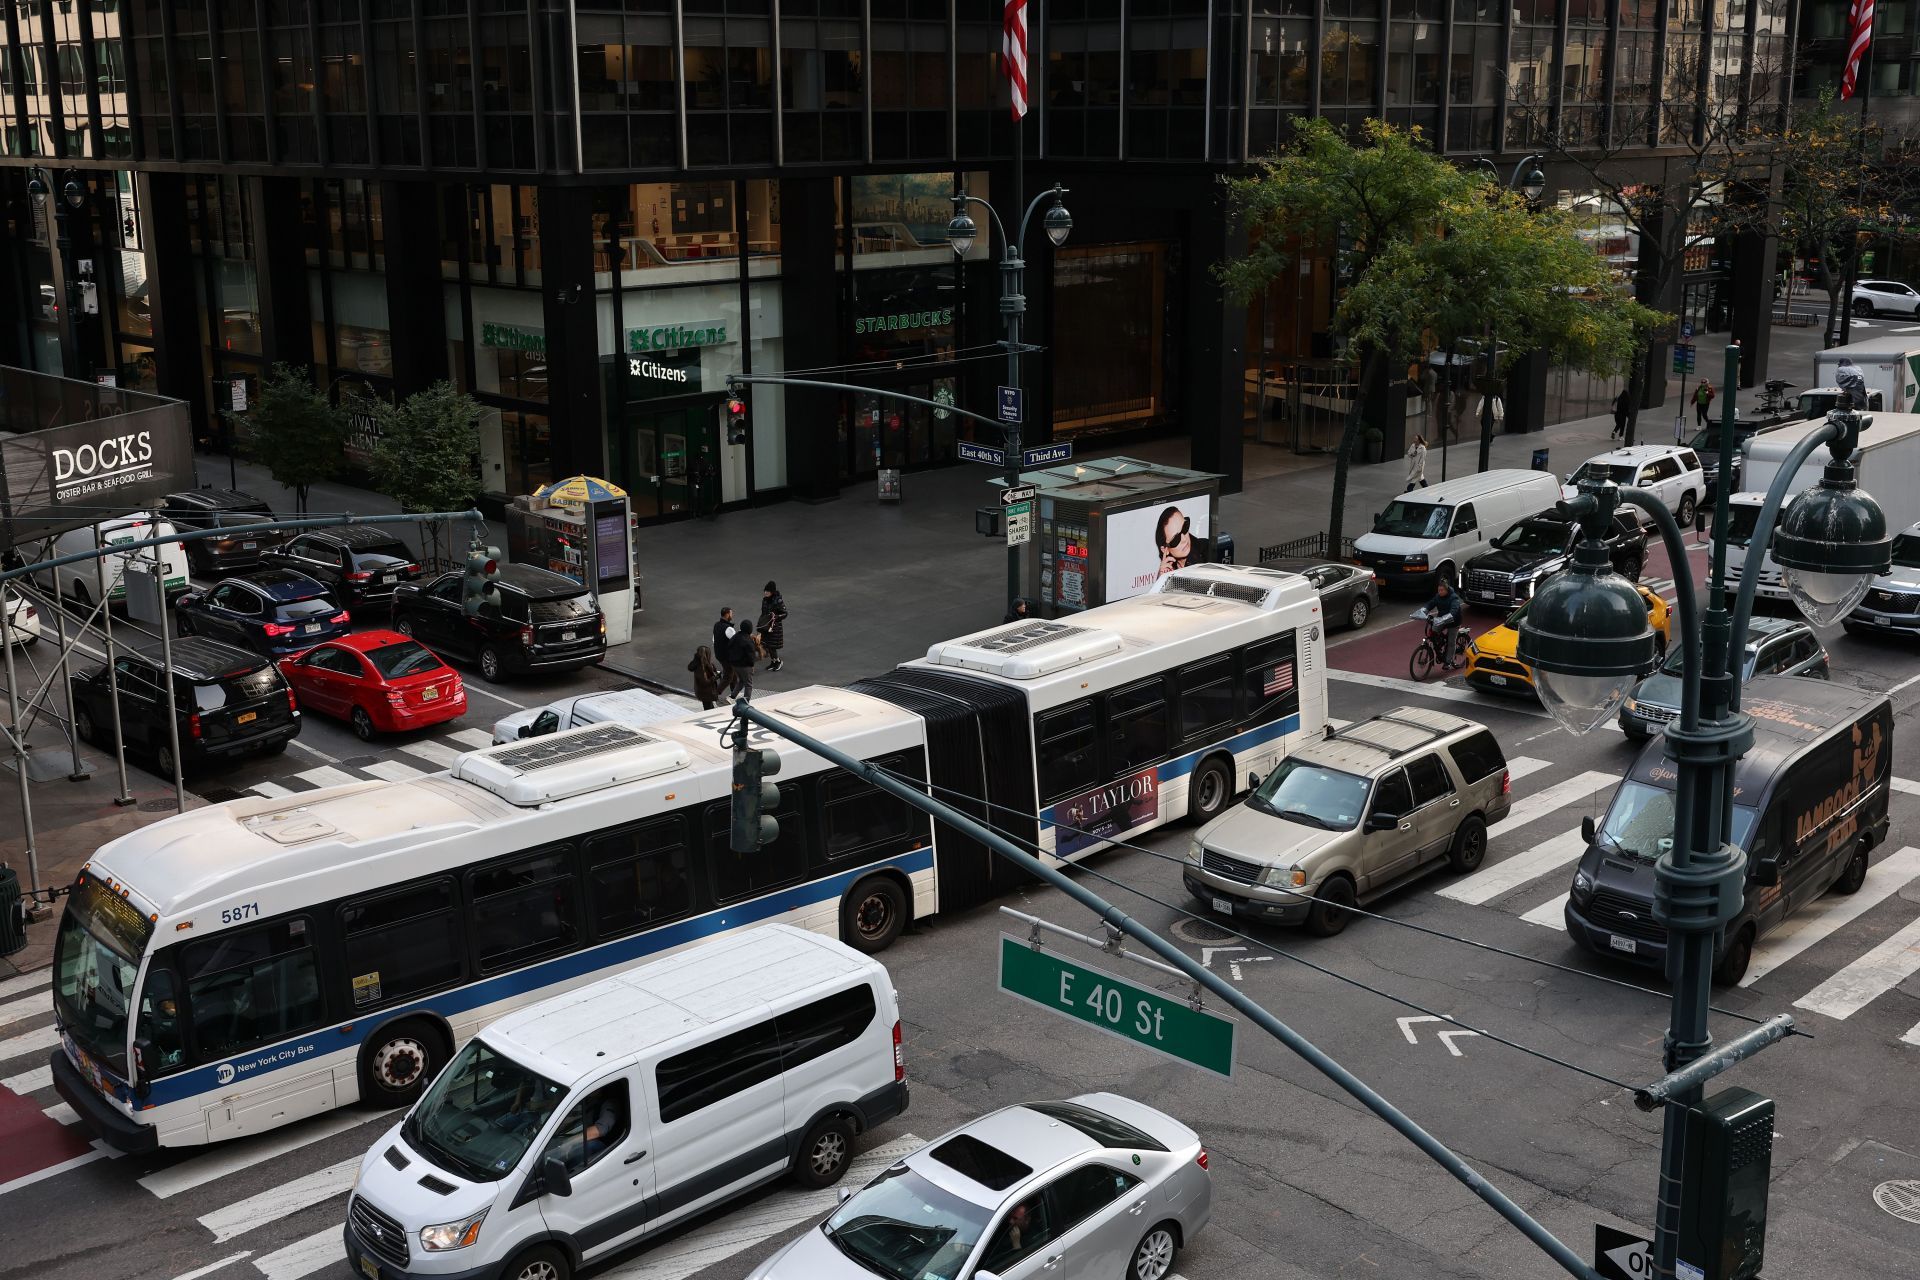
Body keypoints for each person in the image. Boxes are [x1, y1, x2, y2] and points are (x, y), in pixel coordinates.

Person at [1422, 580, 1465, 669]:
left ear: (1446, 590)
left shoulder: (1454, 598)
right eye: (1439, 590)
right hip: (1442, 619)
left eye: (1442, 590)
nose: (1440, 592)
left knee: (1451, 642)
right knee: (1433, 632)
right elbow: (1430, 604)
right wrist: (1424, 610)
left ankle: (1448, 662)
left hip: (1454, 622)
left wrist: (1444, 618)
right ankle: (1440, 645)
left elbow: (1454, 611)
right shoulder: (1438, 597)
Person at [727, 610, 760, 701]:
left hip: (734, 664)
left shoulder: (736, 636)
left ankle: (732, 696)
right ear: (750, 629)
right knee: (748, 684)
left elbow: (729, 646)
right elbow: (751, 655)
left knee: (741, 680)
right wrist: (752, 665)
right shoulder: (748, 641)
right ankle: (746, 701)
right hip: (745, 665)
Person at [757, 581, 787, 673]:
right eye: (765, 591)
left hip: (774, 626)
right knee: (768, 645)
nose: (765, 593)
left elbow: (785, 613)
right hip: (766, 625)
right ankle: (773, 661)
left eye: (768, 591)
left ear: (772, 592)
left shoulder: (778, 600)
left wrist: (776, 617)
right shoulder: (765, 600)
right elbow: (763, 613)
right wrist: (760, 623)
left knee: (772, 646)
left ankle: (778, 661)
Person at [1155, 507, 1194, 576]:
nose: (1184, 539)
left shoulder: (1208, 553)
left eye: (1185, 528)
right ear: (1165, 550)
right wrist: (1162, 581)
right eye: (1176, 539)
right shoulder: (1169, 571)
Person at [712, 607, 741, 696]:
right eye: (731, 614)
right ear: (727, 614)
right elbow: (736, 642)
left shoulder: (716, 625)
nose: (732, 615)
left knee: (733, 672)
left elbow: (713, 639)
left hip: (719, 654)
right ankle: (714, 694)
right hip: (727, 656)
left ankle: (734, 693)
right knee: (728, 676)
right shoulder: (729, 628)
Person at [688, 644, 725, 709]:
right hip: (705, 693)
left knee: (710, 708)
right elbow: (705, 682)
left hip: (705, 692)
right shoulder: (701, 668)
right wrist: (716, 677)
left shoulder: (703, 664)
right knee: (708, 708)